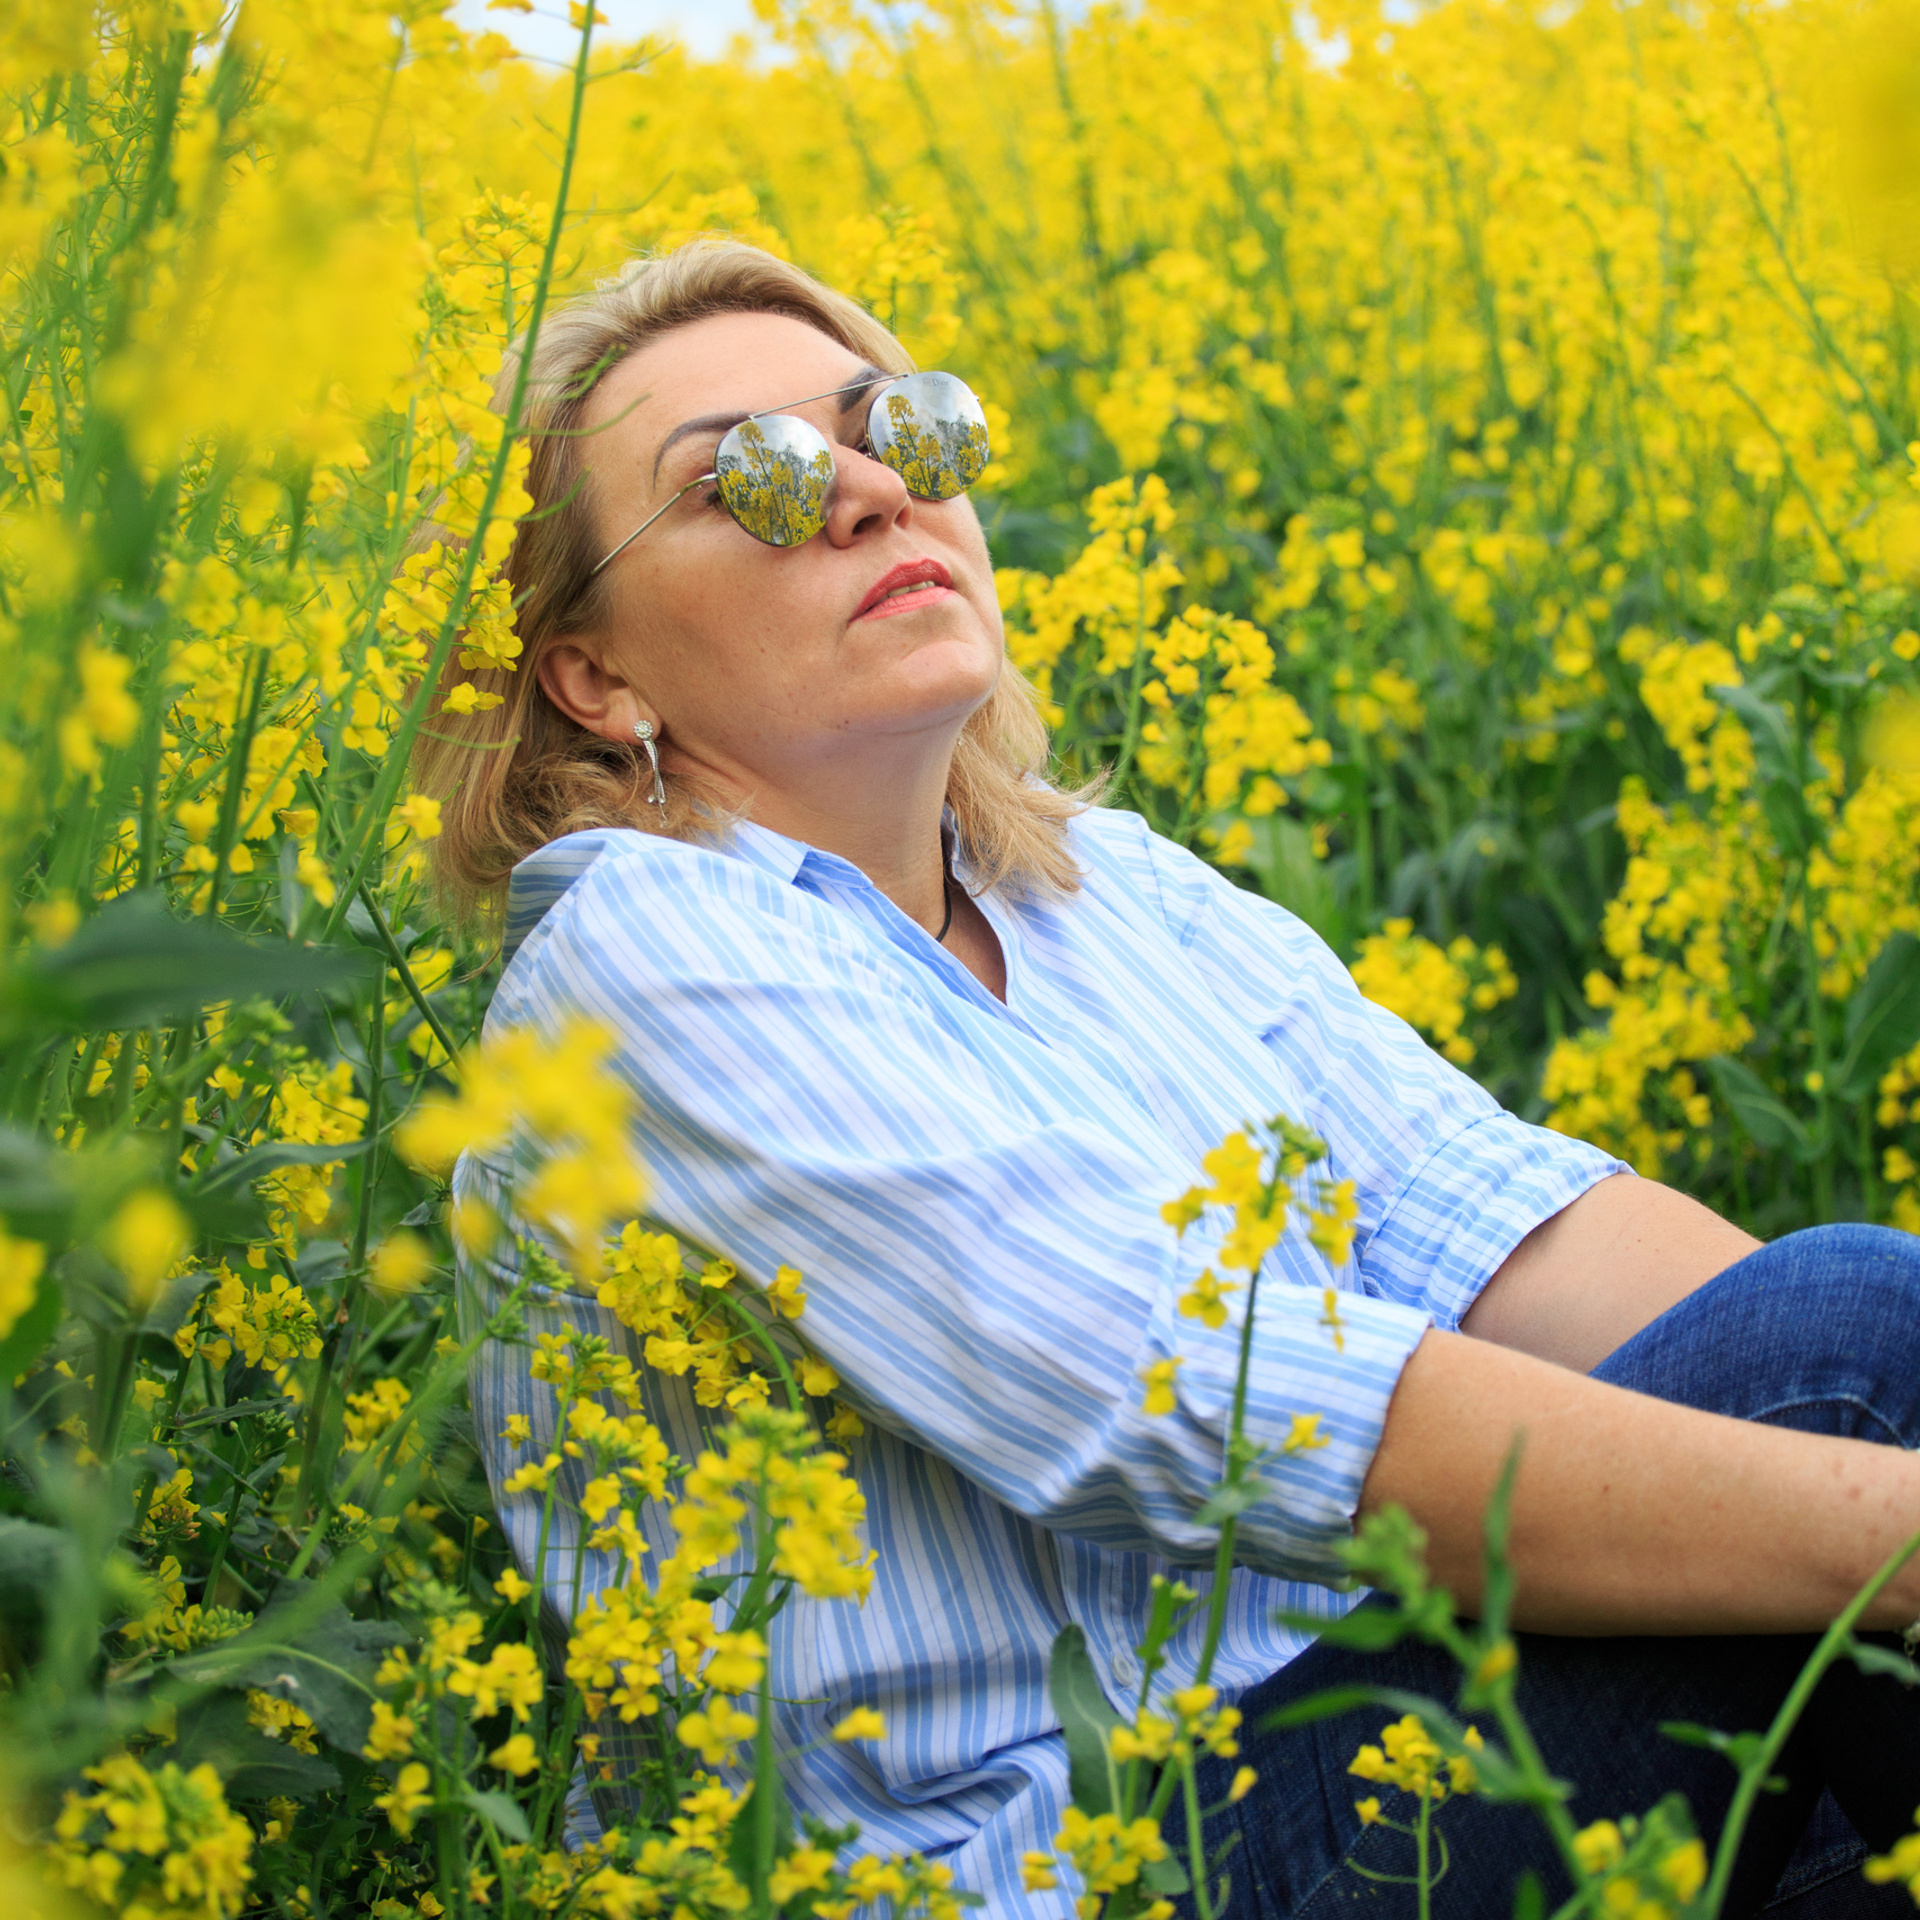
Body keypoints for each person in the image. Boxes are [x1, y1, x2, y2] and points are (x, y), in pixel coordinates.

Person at [422, 239, 1920, 1918]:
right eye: (749, 480)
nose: (864, 493)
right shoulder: (642, 961)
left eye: (904, 429)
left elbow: (1516, 1236)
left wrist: (1878, 1449)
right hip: (1077, 1873)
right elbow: (1189, 1398)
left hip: (1334, 1765)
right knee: (1843, 1366)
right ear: (592, 674)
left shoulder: (1108, 889)